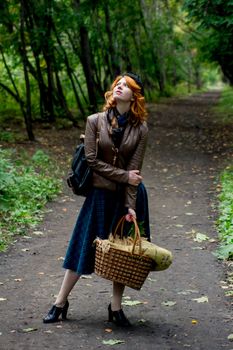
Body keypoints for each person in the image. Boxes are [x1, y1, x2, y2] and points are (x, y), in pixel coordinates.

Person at [43, 72, 150, 327]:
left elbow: (135, 174)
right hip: (100, 194)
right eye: (117, 84)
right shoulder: (95, 121)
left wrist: (131, 207)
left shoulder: (141, 129)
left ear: (134, 95)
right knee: (82, 246)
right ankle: (60, 302)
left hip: (126, 196)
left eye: (126, 86)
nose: (119, 87)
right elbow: (92, 161)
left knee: (123, 253)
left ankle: (115, 308)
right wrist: (124, 175)